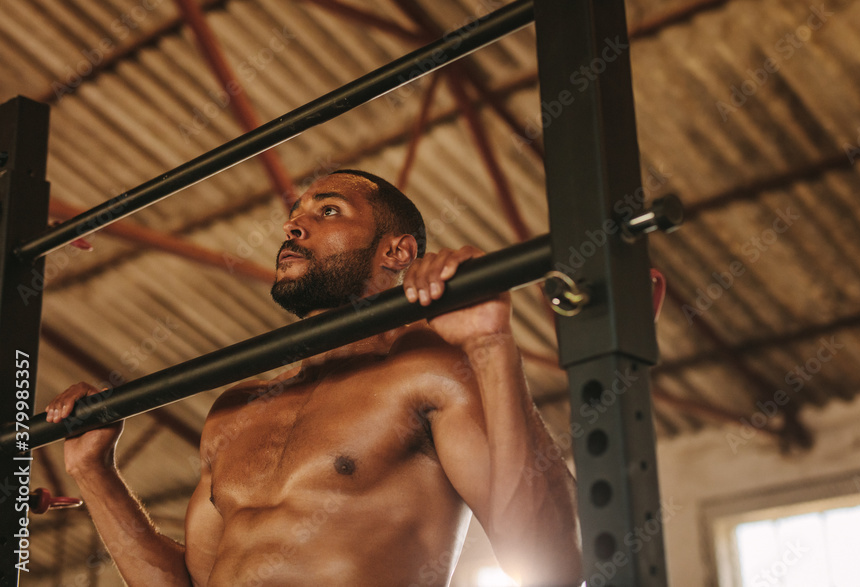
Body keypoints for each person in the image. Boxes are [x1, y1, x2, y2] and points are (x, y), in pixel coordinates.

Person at [45, 169, 582, 586]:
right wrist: (94, 473)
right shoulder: (236, 408)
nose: (293, 226)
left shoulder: (427, 370)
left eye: (329, 210)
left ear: (397, 251)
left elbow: (553, 564)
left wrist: (490, 345)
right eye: (296, 214)